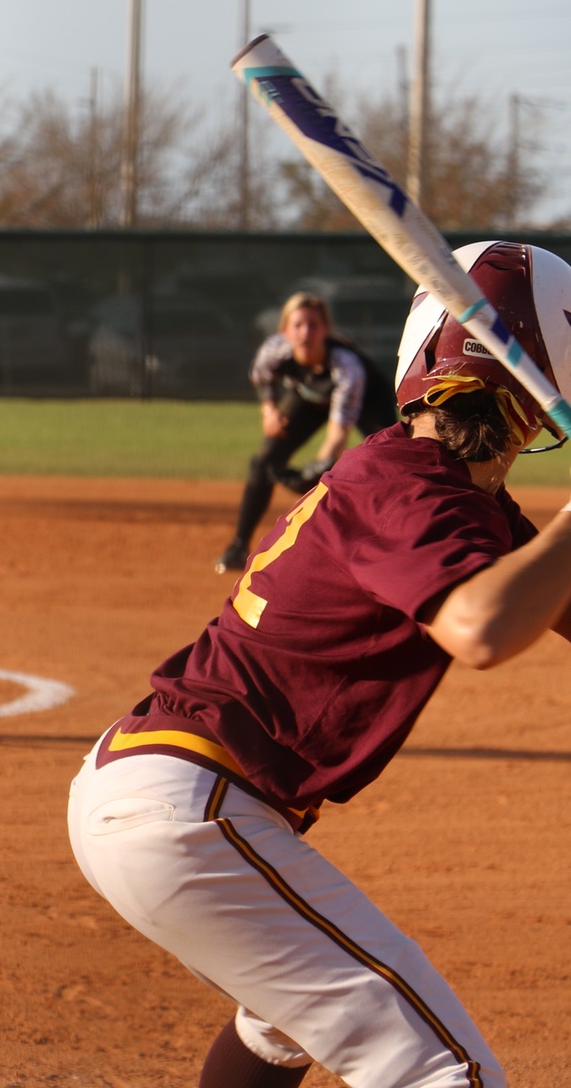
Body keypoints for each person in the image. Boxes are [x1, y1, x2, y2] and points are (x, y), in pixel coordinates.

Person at [67, 241, 571, 1087]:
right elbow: (481, 628)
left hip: (169, 802)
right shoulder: (410, 484)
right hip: (190, 811)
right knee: (448, 1072)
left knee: (283, 1019)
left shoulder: (452, 494)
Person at [215, 291, 395, 574]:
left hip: (367, 401)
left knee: (391, 461)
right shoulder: (276, 348)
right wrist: (270, 410)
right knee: (263, 461)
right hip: (308, 396)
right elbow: (261, 375)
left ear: (326, 329)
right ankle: (238, 547)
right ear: (284, 330)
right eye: (297, 324)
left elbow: (338, 433)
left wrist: (318, 467)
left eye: (313, 324)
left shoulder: (346, 366)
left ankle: (389, 545)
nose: (305, 332)